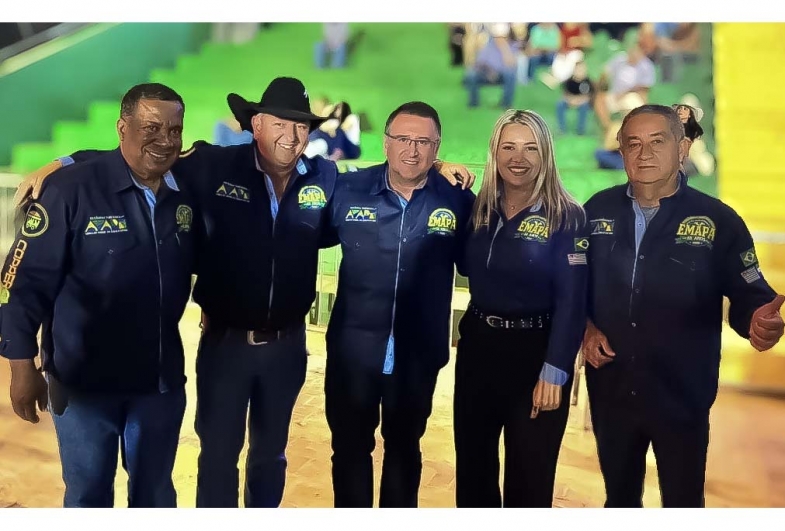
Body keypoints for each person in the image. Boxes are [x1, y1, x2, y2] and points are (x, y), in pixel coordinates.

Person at [11, 77, 475, 509]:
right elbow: (143, 153)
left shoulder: (325, 178)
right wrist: (63, 163)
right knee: (217, 455)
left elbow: (393, 171)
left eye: (300, 126)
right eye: (280, 124)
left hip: (287, 348)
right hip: (225, 345)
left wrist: (436, 166)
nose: (290, 136)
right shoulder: (214, 165)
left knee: (270, 457)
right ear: (256, 125)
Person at [0, 83, 200, 508]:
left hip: (159, 383)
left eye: (174, 130)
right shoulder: (69, 191)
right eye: (150, 128)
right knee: (88, 497)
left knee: (155, 496)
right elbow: (22, 286)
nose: (165, 141)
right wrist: (21, 367)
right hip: (83, 387)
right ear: (122, 128)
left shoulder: (185, 190)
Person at [582, 104, 785, 508]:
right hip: (611, 389)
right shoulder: (595, 211)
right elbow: (574, 288)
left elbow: (750, 294)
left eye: (657, 142)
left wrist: (757, 321)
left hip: (683, 395)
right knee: (618, 500)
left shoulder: (719, 220)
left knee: (683, 502)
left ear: (683, 148)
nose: (644, 154)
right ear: (620, 151)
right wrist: (585, 329)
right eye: (633, 144)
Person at [320, 102, 475, 508]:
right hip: (353, 353)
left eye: (423, 142)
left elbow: (478, 264)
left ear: (437, 147)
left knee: (405, 450)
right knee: (350, 450)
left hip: (417, 356)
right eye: (403, 139)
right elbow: (300, 232)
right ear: (385, 143)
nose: (412, 149)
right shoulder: (349, 188)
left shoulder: (457, 199)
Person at [454, 109, 588, 508]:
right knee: (473, 471)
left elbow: (573, 299)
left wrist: (556, 370)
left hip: (536, 352)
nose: (518, 158)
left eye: (531, 148)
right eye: (508, 147)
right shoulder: (478, 209)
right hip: (479, 347)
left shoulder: (567, 216)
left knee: (530, 479)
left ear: (546, 154)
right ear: (494, 152)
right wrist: (442, 165)